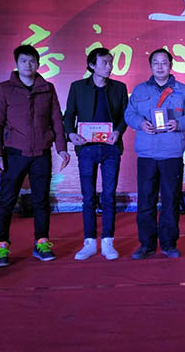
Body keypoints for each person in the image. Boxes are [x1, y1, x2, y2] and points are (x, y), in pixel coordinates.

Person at [0, 44, 70, 267]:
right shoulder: (4, 89)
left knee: (41, 200)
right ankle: (1, 245)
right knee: (7, 200)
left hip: (41, 153)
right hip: (14, 153)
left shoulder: (47, 88)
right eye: (23, 61)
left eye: (32, 61)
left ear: (38, 64)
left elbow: (56, 119)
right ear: (16, 64)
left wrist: (62, 148)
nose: (28, 64)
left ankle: (41, 242)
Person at [124, 48, 185, 259]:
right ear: (150, 66)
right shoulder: (139, 90)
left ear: (171, 66)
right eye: (156, 63)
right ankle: (146, 244)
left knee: (171, 201)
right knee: (145, 202)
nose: (160, 66)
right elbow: (129, 114)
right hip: (146, 154)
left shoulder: (183, 91)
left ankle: (168, 244)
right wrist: (140, 123)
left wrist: (178, 123)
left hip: (171, 154)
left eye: (164, 62)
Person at [63, 47, 128, 261]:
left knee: (109, 196)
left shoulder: (119, 88)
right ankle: (89, 242)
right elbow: (69, 115)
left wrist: (118, 131)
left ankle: (108, 241)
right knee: (89, 196)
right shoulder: (78, 87)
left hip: (110, 148)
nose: (109, 66)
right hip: (86, 148)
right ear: (92, 65)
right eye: (104, 63)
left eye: (110, 62)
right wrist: (71, 134)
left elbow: (125, 116)